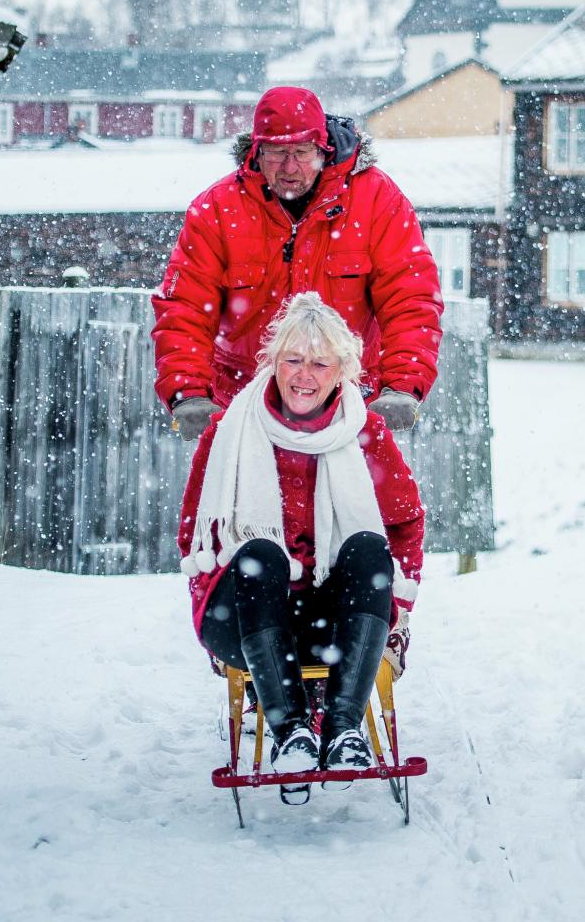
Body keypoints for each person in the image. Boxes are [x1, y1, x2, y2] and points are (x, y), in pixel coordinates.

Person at [177, 293, 424, 798]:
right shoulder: (231, 430)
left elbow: (405, 528)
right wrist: (214, 593)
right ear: (272, 362)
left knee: (370, 549)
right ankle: (290, 733)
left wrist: (393, 610)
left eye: (319, 362)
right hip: (245, 616)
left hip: (336, 620)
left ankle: (342, 730)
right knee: (260, 555)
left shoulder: (366, 433)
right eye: (292, 359)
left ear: (342, 372)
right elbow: (194, 534)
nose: (303, 375)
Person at [151, 85, 443, 440]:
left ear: (324, 149)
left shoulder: (377, 200)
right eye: (276, 153)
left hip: (349, 410)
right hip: (244, 411)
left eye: (303, 152)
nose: (290, 167)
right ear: (256, 152)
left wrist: (402, 386)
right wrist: (189, 392)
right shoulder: (215, 210)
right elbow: (185, 309)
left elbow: (410, 297)